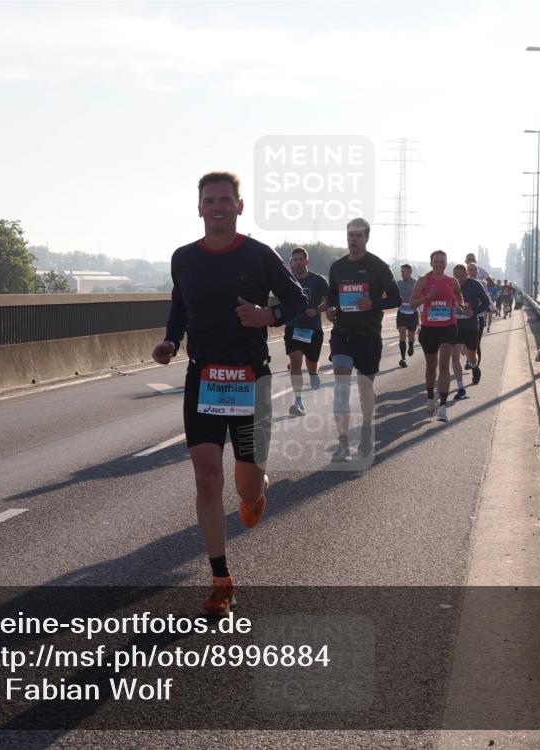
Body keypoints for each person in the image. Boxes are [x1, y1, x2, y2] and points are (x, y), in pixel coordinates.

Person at [152, 172, 309, 615]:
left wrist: (268, 315)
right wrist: (170, 341)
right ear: (198, 207)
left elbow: (298, 301)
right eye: (209, 200)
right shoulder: (183, 258)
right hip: (203, 377)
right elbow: (180, 305)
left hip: (250, 379)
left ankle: (258, 490)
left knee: (245, 486)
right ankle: (221, 579)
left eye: (225, 200)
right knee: (206, 475)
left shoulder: (259, 255)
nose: (217, 207)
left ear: (240, 206)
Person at [325, 218, 401, 461]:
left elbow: (396, 299)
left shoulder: (378, 266)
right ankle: (343, 443)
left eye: (358, 236)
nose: (353, 240)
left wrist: (373, 303)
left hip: (368, 335)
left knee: (365, 390)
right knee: (341, 387)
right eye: (350, 235)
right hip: (342, 334)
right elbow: (332, 297)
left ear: (367, 238)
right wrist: (330, 309)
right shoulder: (337, 267)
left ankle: (367, 432)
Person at [409, 250, 462, 422]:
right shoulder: (423, 281)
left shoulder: (452, 281)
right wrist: (427, 297)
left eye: (442, 261)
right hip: (429, 328)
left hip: (448, 326)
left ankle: (443, 407)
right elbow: (412, 304)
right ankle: (431, 395)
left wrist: (458, 306)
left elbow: (458, 297)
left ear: (446, 263)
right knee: (431, 366)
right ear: (431, 263)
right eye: (436, 261)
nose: (439, 264)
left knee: (444, 364)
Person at [284, 247, 329, 416]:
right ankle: (298, 401)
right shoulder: (287, 280)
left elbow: (329, 298)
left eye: (300, 259)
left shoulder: (317, 280)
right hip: (293, 327)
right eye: (294, 260)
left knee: (311, 361)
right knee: (295, 361)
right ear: (291, 263)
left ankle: (313, 372)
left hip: (313, 329)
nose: (297, 262)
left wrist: (317, 310)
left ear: (306, 261)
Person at [452, 262, 491, 397]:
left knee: (471, 356)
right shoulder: (450, 285)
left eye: (461, 277)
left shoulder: (475, 285)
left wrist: (474, 311)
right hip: (455, 326)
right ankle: (461, 388)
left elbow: (486, 302)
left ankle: (474, 367)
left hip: (471, 326)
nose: (458, 280)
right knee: (455, 355)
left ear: (467, 275)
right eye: (455, 277)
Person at [395, 264, 418, 368]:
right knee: (402, 334)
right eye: (401, 271)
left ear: (409, 272)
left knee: (411, 335)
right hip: (401, 313)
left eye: (404, 271)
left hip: (412, 313)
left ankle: (411, 345)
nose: (402, 273)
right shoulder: (398, 283)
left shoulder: (415, 283)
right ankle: (403, 358)